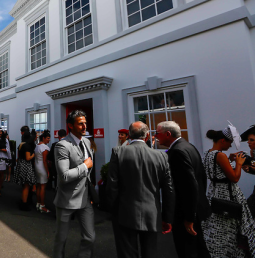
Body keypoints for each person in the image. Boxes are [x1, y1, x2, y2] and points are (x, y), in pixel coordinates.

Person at [105, 121, 174, 258]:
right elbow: (168, 189)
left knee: (127, 253)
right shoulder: (161, 156)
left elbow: (112, 185)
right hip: (152, 213)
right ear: (147, 136)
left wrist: (112, 210)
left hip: (124, 212)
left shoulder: (118, 152)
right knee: (150, 252)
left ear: (129, 135)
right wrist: (167, 217)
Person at [156, 121, 211, 258]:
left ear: (168, 134)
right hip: (195, 208)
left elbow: (190, 185)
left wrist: (189, 217)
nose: (156, 136)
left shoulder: (177, 152)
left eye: (157, 133)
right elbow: (201, 178)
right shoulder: (188, 146)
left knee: (187, 250)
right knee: (199, 247)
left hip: (185, 213)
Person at [201, 128, 255, 257]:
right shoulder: (220, 155)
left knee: (219, 225)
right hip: (228, 194)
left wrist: (231, 160)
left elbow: (218, 172)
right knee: (234, 224)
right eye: (229, 142)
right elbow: (234, 178)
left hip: (214, 192)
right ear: (222, 140)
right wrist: (239, 163)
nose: (230, 145)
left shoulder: (207, 153)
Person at [53, 110, 95, 258]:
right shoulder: (62, 145)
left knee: (90, 237)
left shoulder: (87, 141)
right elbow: (64, 176)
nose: (84, 126)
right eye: (80, 124)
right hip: (67, 199)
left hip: (84, 199)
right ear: (71, 126)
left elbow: (89, 171)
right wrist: (84, 166)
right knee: (61, 239)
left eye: (85, 123)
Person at [14, 130, 37, 211]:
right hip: (26, 166)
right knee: (26, 186)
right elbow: (28, 158)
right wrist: (34, 154)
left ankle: (23, 201)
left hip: (21, 164)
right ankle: (24, 204)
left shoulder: (21, 144)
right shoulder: (27, 146)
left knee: (24, 186)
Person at [239, 125, 255, 217]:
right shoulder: (253, 151)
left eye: (252, 140)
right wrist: (248, 169)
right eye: (248, 140)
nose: (248, 142)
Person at [35, 131, 51, 213]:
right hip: (42, 168)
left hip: (37, 167)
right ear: (43, 138)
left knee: (39, 186)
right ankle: (42, 205)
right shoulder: (45, 148)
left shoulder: (37, 146)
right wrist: (48, 171)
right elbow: (45, 161)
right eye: (48, 138)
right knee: (43, 187)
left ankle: (38, 203)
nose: (49, 140)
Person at [0, 128, 9, 196]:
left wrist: (0, 149)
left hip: (2, 159)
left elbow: (7, 150)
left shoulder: (5, 140)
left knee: (1, 175)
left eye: (1, 132)